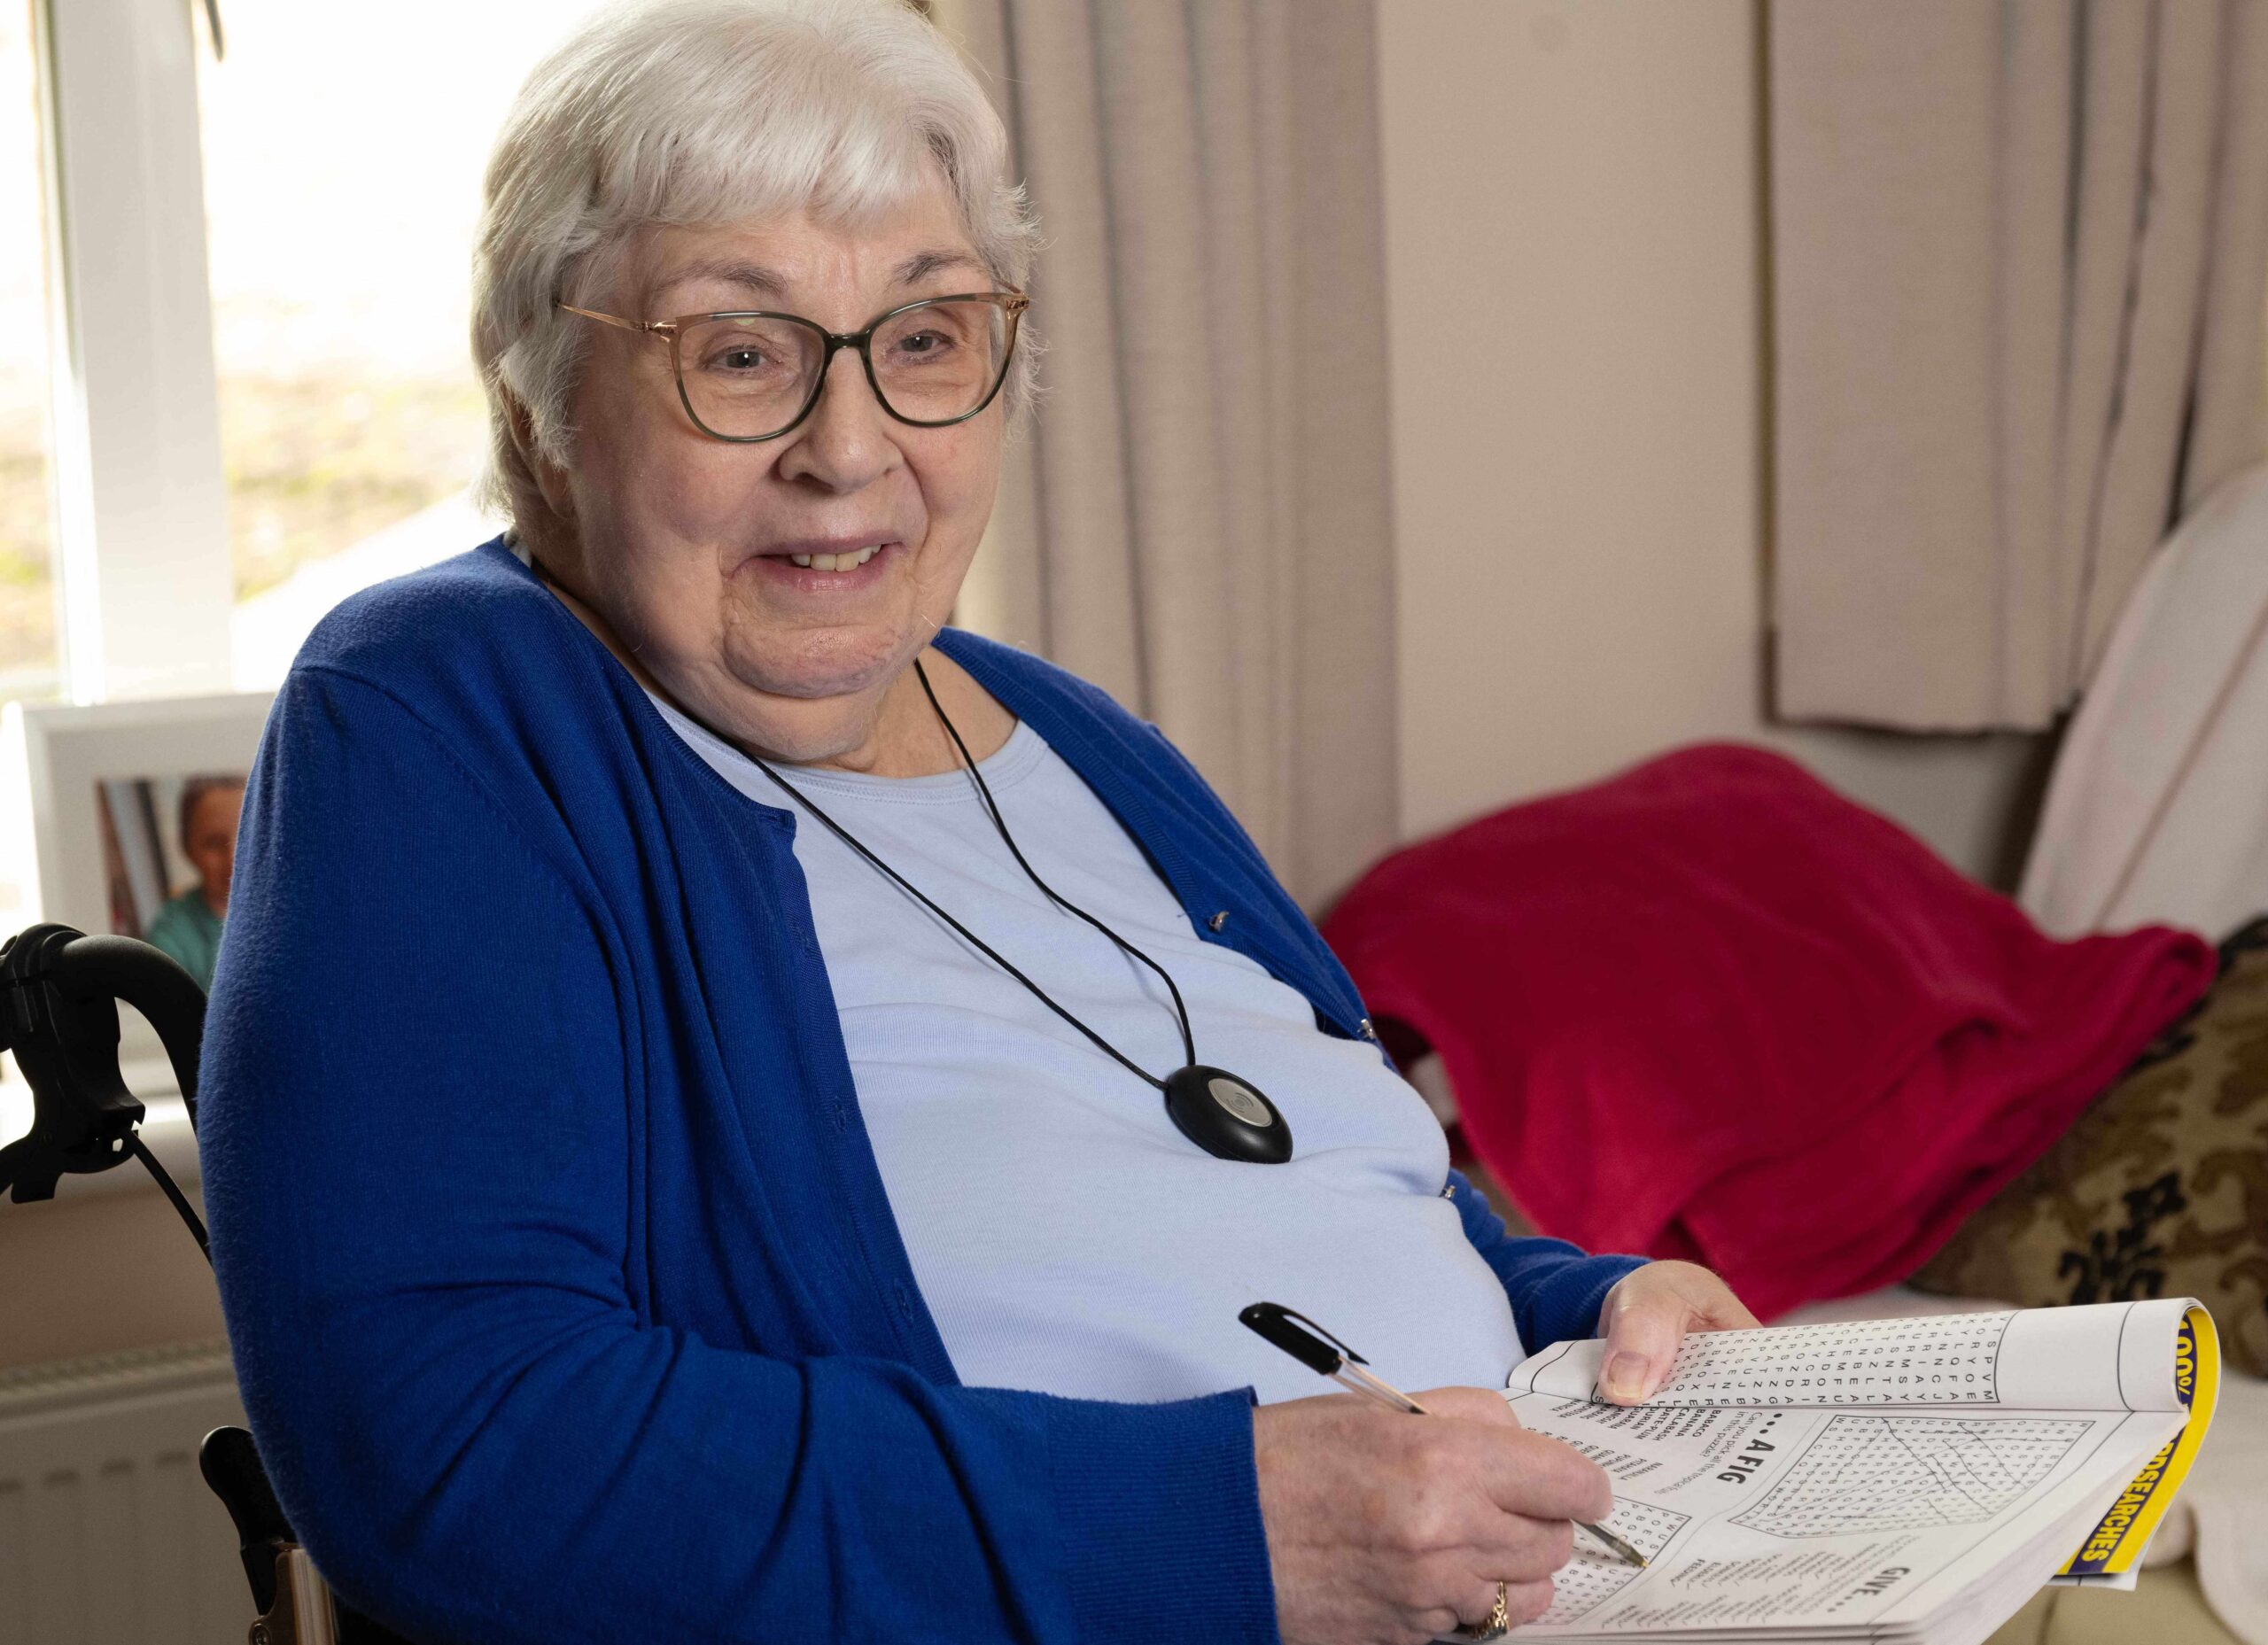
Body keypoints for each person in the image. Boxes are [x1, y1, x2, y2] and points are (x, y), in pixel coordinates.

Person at [198, 4, 1757, 1641]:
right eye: (740, 353)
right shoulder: (448, 705)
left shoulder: (1078, 737)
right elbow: (455, 1449)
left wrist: (1584, 1314)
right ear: (536, 402)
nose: (850, 449)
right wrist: (1221, 1529)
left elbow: (1314, 1183)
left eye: (928, 338)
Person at [143, 774, 244, 990]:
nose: (233, 858)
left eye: (246, 837)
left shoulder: (290, 912)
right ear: (188, 849)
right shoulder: (172, 935)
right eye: (213, 843)